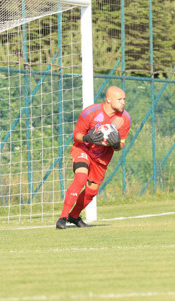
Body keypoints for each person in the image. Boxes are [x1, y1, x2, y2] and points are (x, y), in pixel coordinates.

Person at [56, 86, 131, 229]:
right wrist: (87, 138)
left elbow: (121, 145)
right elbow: (76, 136)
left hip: (101, 159)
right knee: (80, 178)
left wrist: (116, 145)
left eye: (124, 99)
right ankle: (63, 217)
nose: (123, 102)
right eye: (119, 99)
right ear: (108, 100)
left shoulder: (125, 119)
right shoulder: (90, 112)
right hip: (82, 149)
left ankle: (74, 216)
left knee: (92, 191)